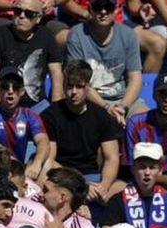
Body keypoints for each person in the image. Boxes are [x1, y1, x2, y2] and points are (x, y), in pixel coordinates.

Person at [41, 60, 122, 203]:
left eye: (79, 86)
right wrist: (81, 185)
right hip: (62, 175)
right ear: (64, 85)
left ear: (88, 88)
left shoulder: (102, 116)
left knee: (123, 189)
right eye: (69, 86)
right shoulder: (50, 115)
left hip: (92, 176)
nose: (73, 92)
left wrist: (104, 186)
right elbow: (49, 160)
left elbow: (112, 158)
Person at [66, 0, 145, 126]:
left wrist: (122, 107)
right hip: (89, 100)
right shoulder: (77, 35)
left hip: (122, 99)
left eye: (108, 7)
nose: (103, 12)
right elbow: (78, 82)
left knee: (144, 122)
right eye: (98, 7)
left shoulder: (129, 35)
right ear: (90, 9)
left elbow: (135, 78)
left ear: (117, 9)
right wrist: (106, 108)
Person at [0, 0, 65, 113]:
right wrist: (1, 104)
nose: (21, 16)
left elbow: (56, 73)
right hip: (4, 105)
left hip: (38, 107)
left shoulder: (46, 36)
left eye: (29, 14)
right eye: (17, 11)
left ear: (38, 18)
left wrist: (56, 109)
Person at [0, 66, 50, 175]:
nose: (10, 91)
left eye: (15, 87)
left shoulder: (30, 115)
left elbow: (43, 141)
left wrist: (36, 164)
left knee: (48, 163)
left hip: (19, 170)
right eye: (5, 87)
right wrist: (15, 165)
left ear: (22, 91)